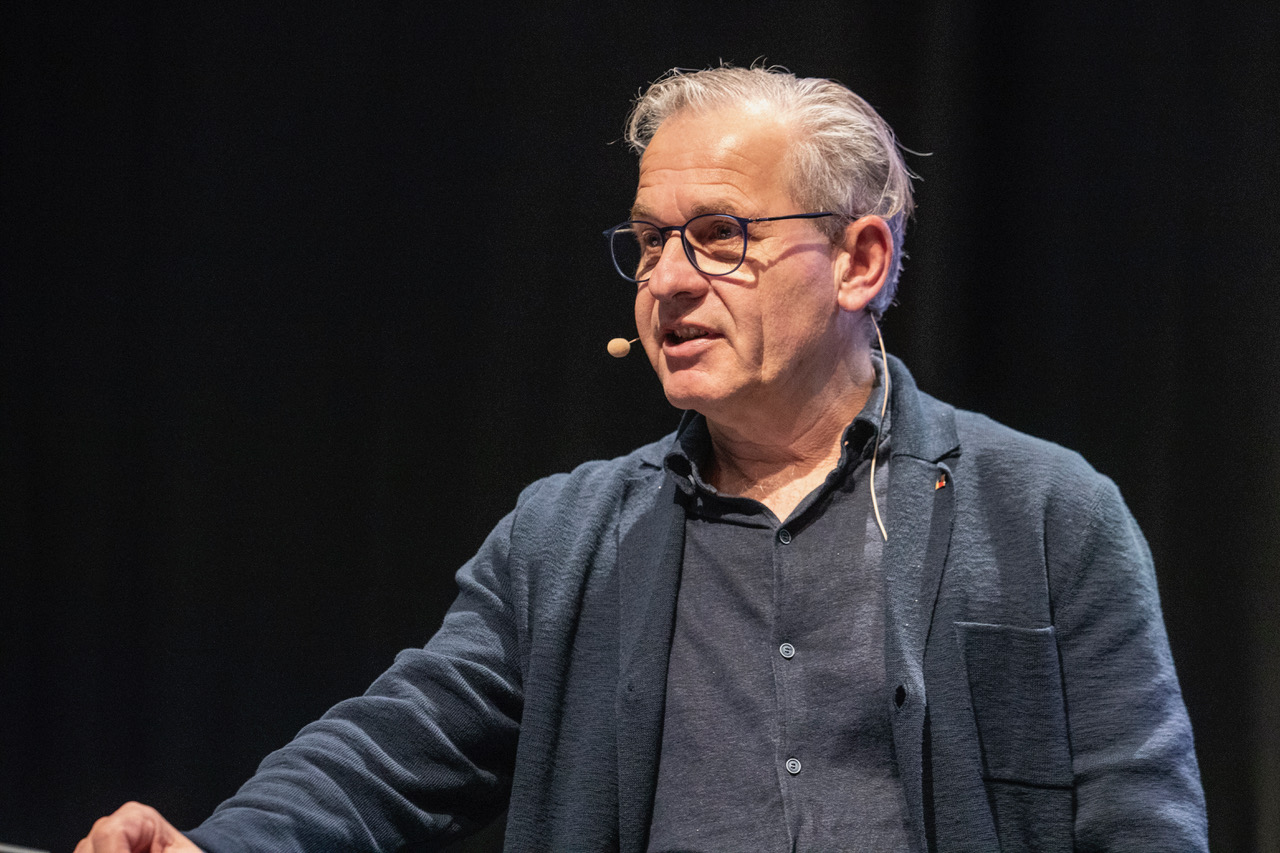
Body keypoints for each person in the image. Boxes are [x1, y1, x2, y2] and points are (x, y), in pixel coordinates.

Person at [77, 65, 1208, 852]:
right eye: (650, 242)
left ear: (859, 260)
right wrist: (219, 844)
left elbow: (1140, 819)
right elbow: (397, 747)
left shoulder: (1044, 511)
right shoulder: (566, 536)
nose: (665, 280)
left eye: (717, 236)